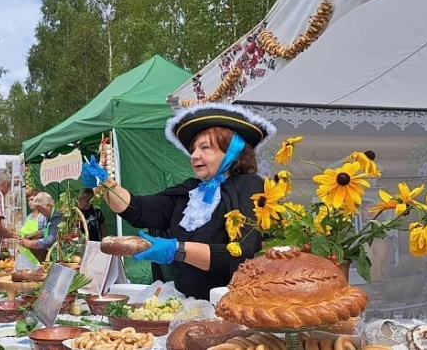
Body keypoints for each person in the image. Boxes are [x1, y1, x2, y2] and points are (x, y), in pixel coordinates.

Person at [81, 103, 276, 299]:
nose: (194, 155)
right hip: (184, 306)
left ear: (232, 152)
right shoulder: (190, 191)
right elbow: (138, 209)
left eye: (205, 148)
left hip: (227, 308)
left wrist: (176, 250)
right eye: (193, 149)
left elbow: (244, 254)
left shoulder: (249, 186)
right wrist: (105, 183)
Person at [17, 189, 47, 263]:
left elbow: (46, 231)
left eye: (32, 200)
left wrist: (34, 234)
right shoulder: (28, 217)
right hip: (25, 254)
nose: (30, 202)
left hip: (37, 255)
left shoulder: (43, 216)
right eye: (29, 200)